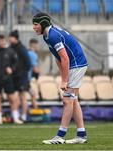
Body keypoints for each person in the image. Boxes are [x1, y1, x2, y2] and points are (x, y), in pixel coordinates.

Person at [32, 13, 88, 144]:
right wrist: (64, 75)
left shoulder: (52, 36)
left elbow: (65, 58)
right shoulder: (47, 35)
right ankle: (81, 135)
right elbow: (58, 58)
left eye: (36, 24)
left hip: (76, 65)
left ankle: (60, 136)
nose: (33, 27)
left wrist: (64, 80)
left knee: (67, 100)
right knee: (73, 101)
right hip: (75, 65)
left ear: (44, 24)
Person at [0, 34, 21, 125]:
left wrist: (11, 69)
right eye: (0, 41)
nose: (2, 42)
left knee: (12, 98)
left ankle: (16, 117)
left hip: (8, 78)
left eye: (3, 41)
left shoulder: (10, 51)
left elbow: (16, 63)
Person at [9, 30, 32, 123]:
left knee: (22, 96)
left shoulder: (22, 48)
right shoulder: (10, 48)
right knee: (14, 96)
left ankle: (23, 116)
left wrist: (22, 72)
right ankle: (15, 116)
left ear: (15, 38)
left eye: (11, 37)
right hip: (13, 76)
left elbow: (28, 63)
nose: (9, 39)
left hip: (22, 77)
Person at [28, 38, 40, 109]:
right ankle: (36, 112)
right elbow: (35, 69)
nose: (38, 47)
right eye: (37, 45)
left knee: (32, 94)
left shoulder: (27, 53)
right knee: (33, 94)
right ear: (34, 45)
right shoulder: (33, 54)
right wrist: (38, 72)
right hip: (24, 80)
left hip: (24, 79)